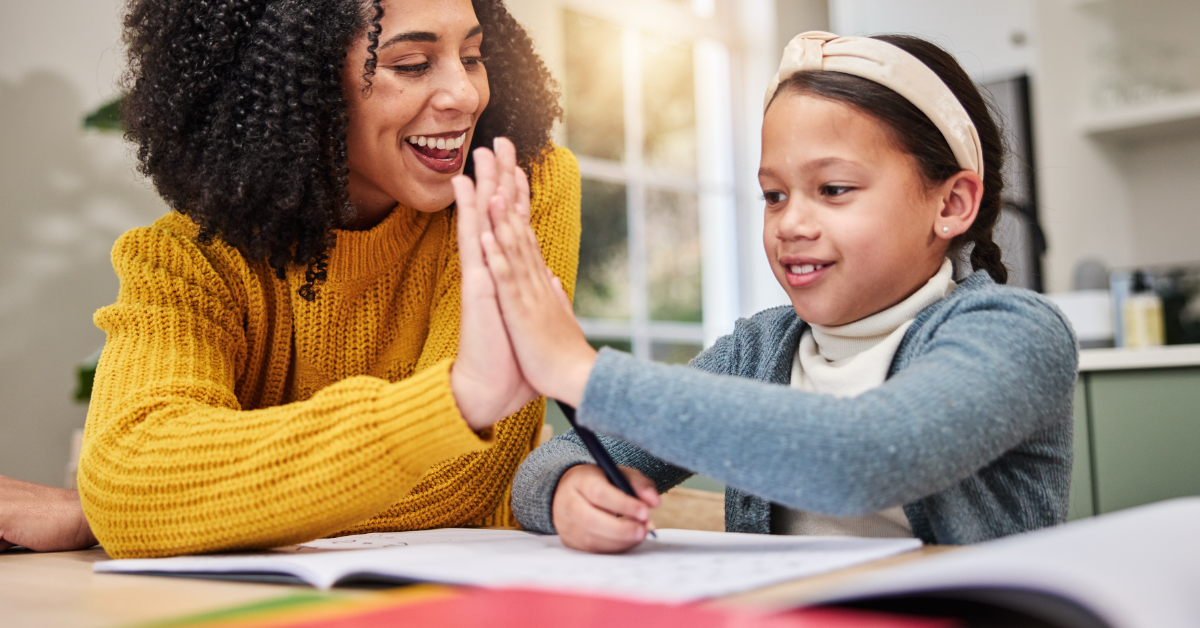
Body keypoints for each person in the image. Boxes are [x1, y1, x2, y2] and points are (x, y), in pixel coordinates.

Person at [0, 0, 579, 557]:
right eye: (412, 64)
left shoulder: (514, 188)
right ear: (302, 82)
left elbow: (459, 480)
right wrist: (130, 505)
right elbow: (131, 479)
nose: (465, 93)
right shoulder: (186, 260)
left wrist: (171, 510)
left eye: (473, 56)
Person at [463, 32, 1077, 553]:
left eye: (834, 189)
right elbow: (541, 470)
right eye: (774, 195)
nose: (791, 224)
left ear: (951, 203)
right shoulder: (760, 350)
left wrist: (581, 371)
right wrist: (571, 489)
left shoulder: (1013, 331)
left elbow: (862, 457)